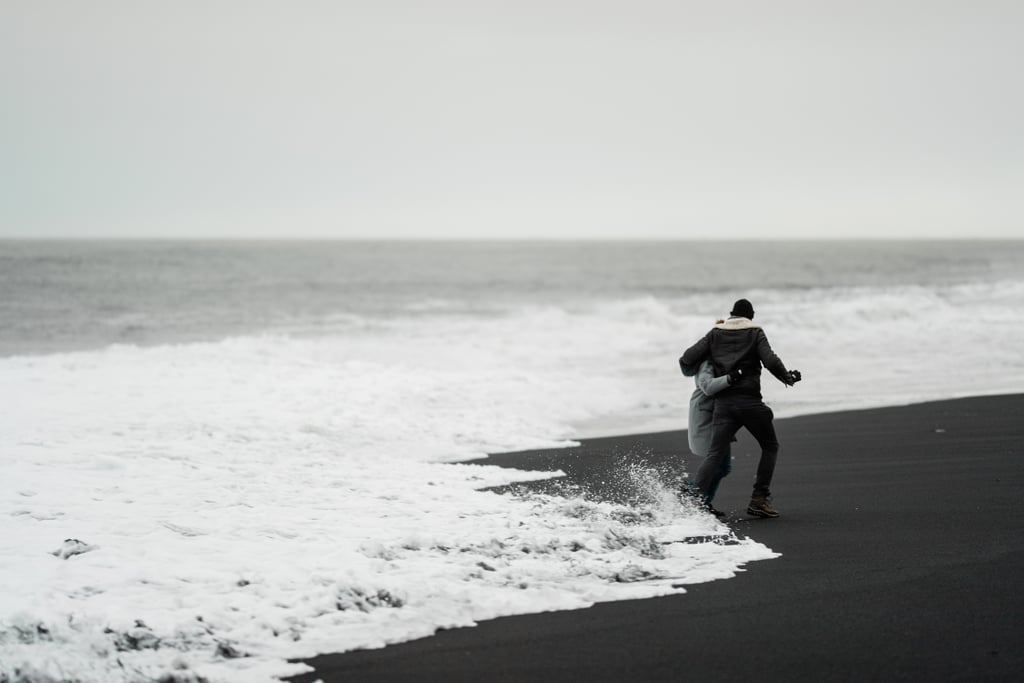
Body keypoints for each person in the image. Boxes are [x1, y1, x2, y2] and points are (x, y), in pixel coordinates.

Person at [679, 298, 801, 518]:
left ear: (731, 314)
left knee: (715, 454)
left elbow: (687, 358)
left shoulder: (715, 333)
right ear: (750, 316)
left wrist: (694, 370)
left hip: (723, 407)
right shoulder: (755, 332)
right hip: (749, 402)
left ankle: (694, 498)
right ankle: (759, 499)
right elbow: (770, 361)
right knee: (770, 445)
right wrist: (787, 378)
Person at [679, 357, 733, 516]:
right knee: (719, 465)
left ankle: (698, 497)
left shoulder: (722, 357)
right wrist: (732, 377)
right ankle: (695, 494)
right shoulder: (708, 362)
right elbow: (706, 385)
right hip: (706, 415)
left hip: (717, 414)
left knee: (722, 467)